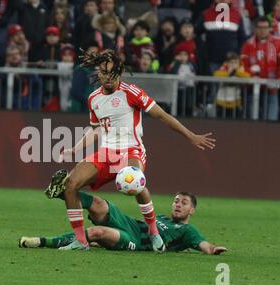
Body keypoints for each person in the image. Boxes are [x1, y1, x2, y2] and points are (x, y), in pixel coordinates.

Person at [45, 49, 216, 251]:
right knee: (71, 183)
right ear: (97, 73)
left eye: (112, 73)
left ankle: (154, 233)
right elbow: (96, 129)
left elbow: (162, 115)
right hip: (106, 152)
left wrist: (190, 135)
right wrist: (75, 149)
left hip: (131, 150)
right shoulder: (94, 99)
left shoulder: (131, 92)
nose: (108, 77)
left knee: (133, 179)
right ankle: (81, 241)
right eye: (104, 72)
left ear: (119, 73)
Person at [20, 187, 227, 254]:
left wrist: (213, 249)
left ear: (192, 210)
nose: (177, 204)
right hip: (130, 223)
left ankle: (41, 241)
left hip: (135, 241)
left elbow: (205, 246)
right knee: (100, 203)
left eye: (183, 203)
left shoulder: (187, 231)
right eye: (176, 201)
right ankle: (61, 192)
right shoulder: (161, 218)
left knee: (98, 232)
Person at [241, 16, 280, 121]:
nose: (263, 30)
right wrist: (250, 75)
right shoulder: (247, 44)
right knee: (252, 122)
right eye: (260, 27)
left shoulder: (279, 42)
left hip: (272, 89)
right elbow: (243, 66)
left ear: (269, 28)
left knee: (271, 120)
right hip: (252, 89)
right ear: (254, 29)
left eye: (265, 27)